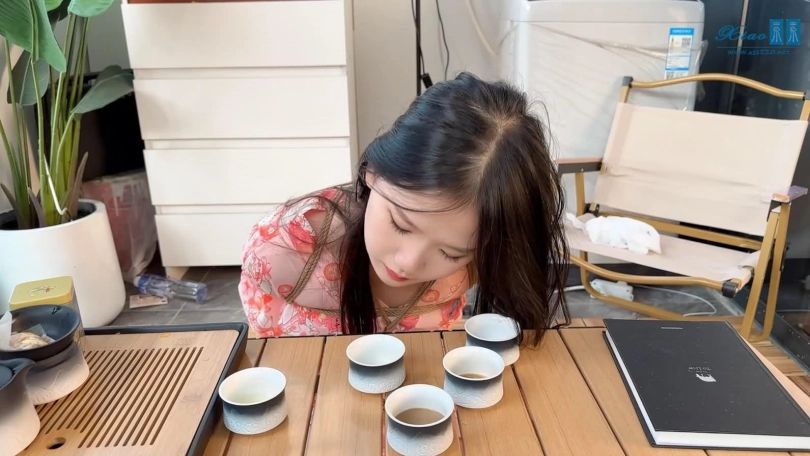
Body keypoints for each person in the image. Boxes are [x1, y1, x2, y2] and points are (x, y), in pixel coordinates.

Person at [238, 72, 570, 345]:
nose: (409, 262)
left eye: (451, 253)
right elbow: (268, 348)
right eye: (400, 224)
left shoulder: (480, 260)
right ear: (372, 172)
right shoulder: (284, 249)